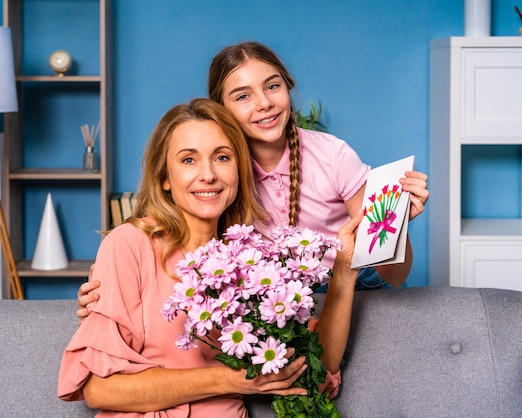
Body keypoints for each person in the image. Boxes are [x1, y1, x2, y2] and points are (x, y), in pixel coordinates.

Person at [58, 98, 362, 416]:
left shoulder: (253, 261)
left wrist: (344, 268)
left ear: (239, 170)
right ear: (164, 177)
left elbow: (320, 360)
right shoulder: (129, 245)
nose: (208, 175)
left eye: (221, 157)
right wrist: (232, 379)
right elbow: (98, 388)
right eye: (188, 160)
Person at [77, 41, 429, 314]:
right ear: (220, 109)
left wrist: (398, 225)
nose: (263, 103)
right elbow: (167, 232)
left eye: (272, 87)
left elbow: (395, 276)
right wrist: (106, 287)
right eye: (243, 96)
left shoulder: (332, 155)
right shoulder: (215, 173)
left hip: (352, 287)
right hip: (269, 301)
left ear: (288, 88)